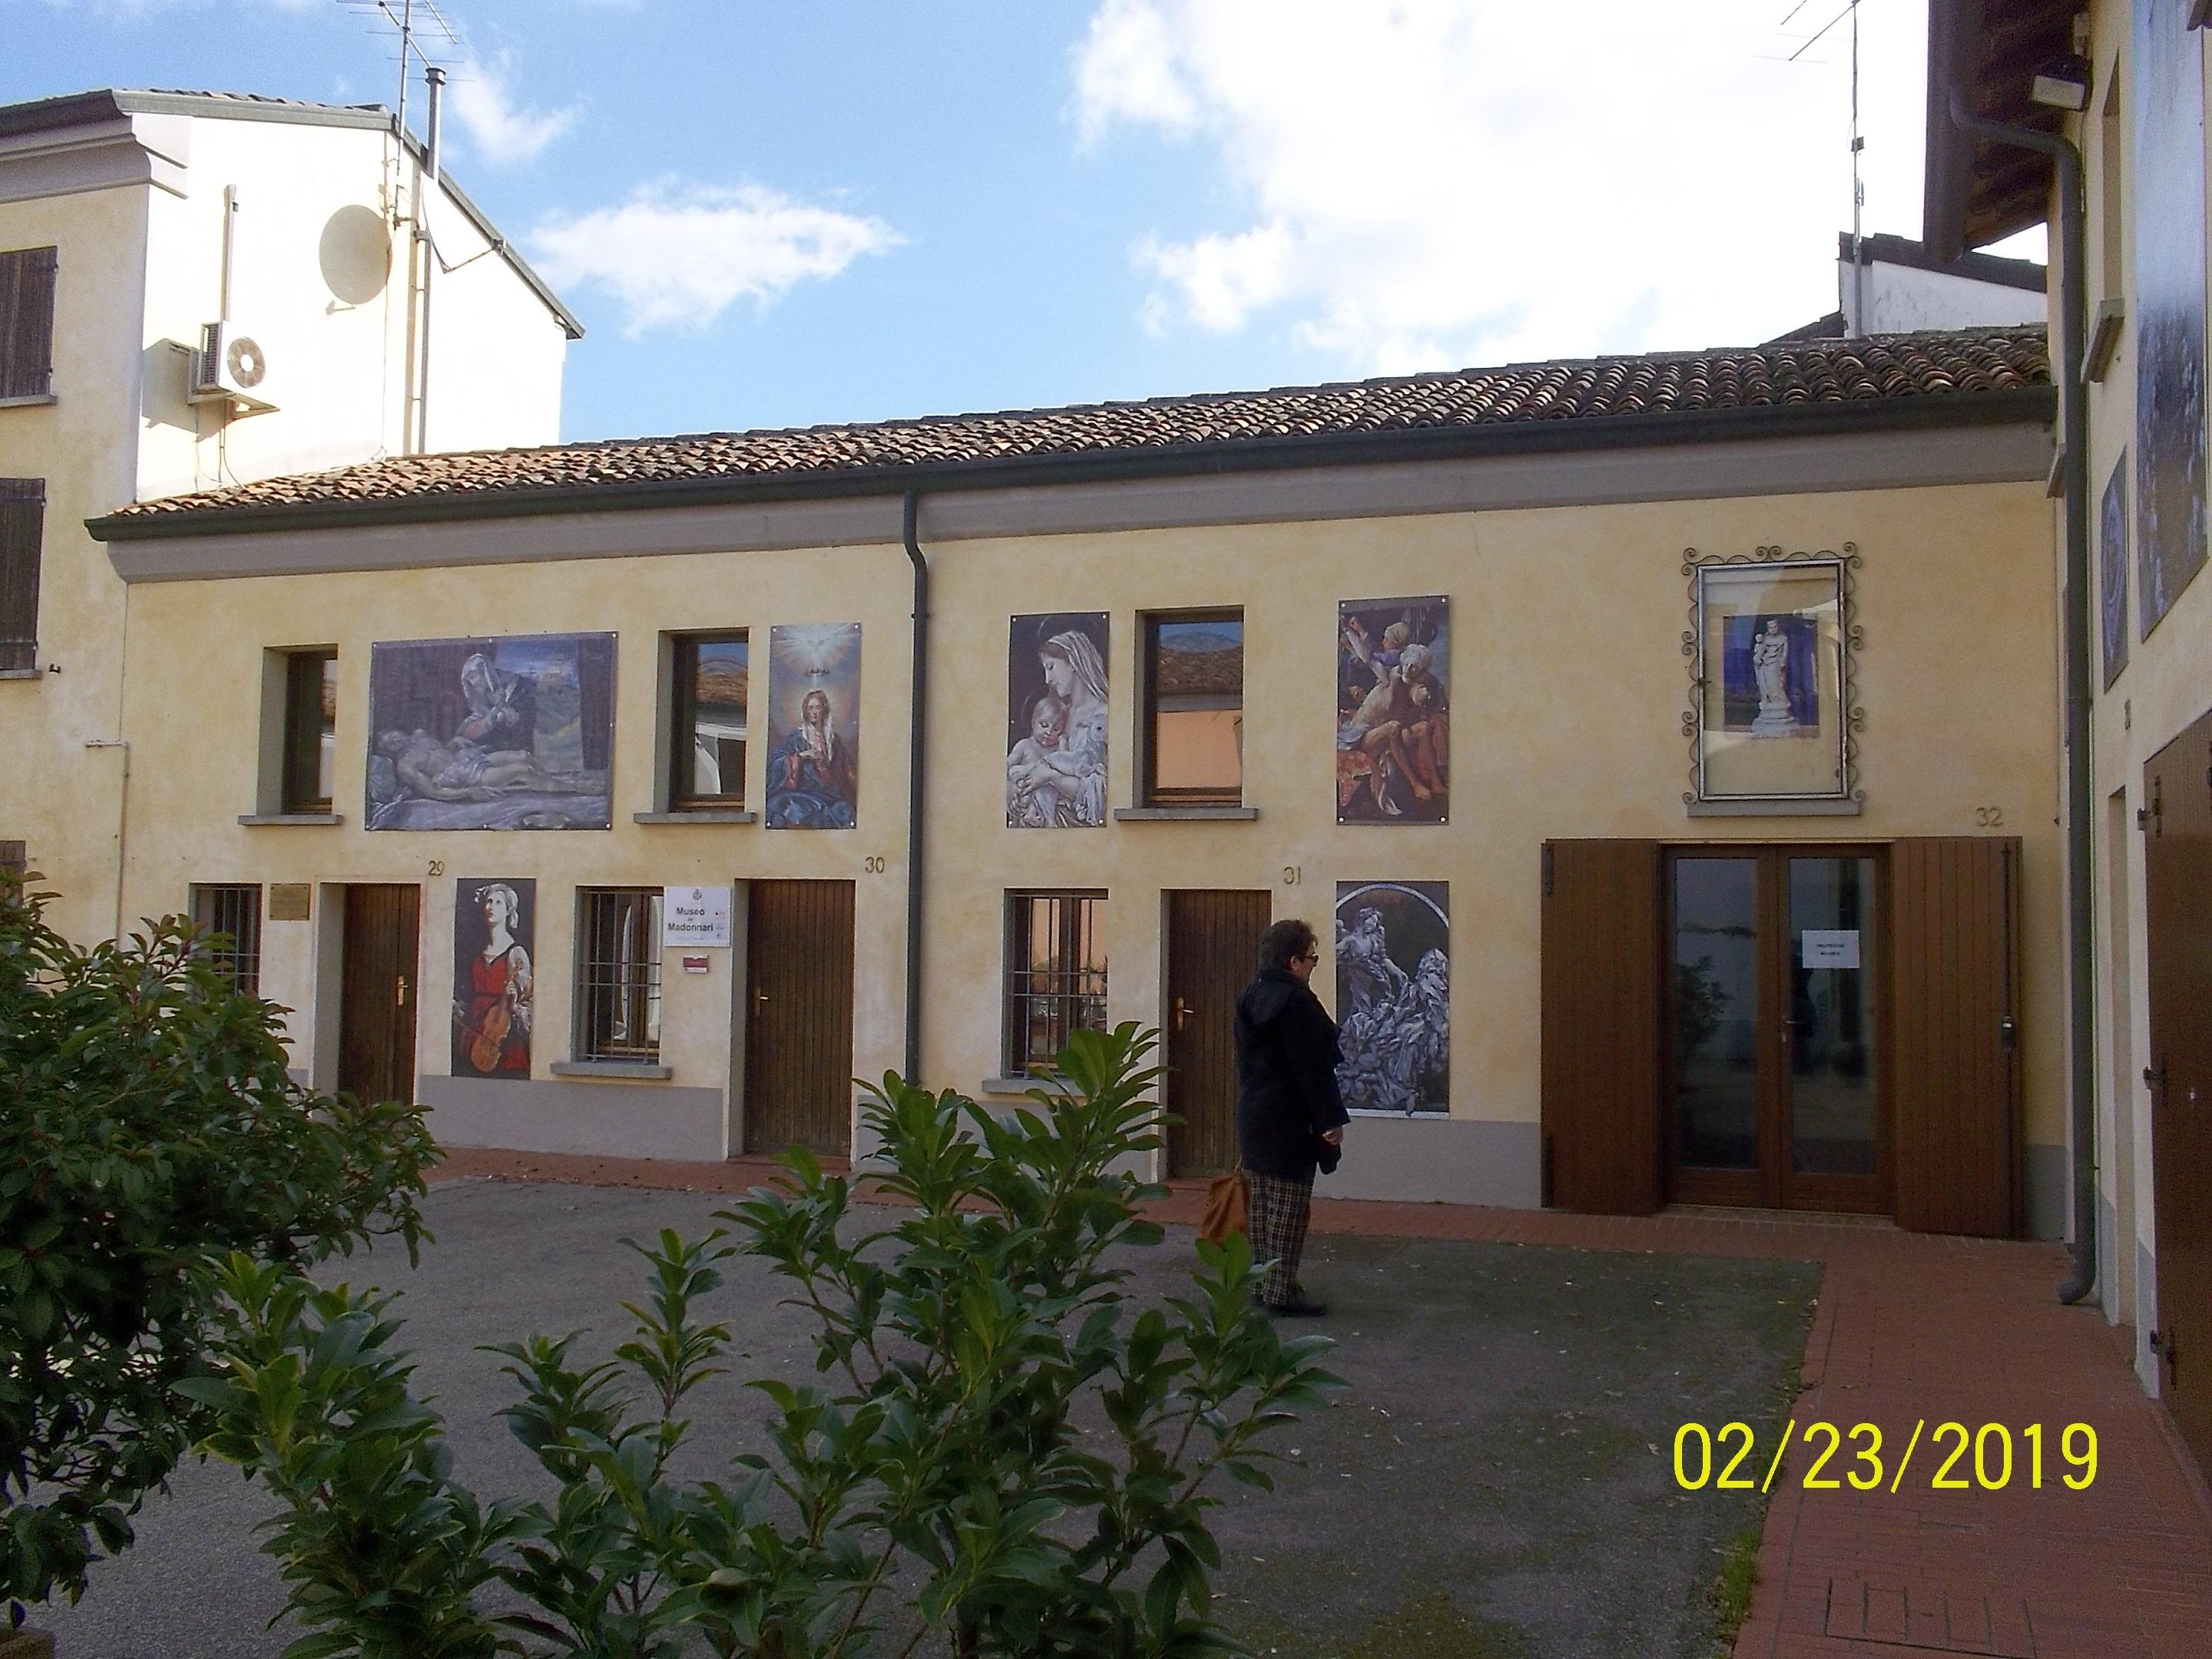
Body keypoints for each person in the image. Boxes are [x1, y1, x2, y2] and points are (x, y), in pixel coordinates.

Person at [1233, 919, 1349, 1317]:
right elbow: (1312, 1069)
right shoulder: (1297, 1002)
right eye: (1312, 958)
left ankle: (1263, 1284)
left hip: (1255, 1114)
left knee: (1263, 1207)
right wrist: (1329, 1121)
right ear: (1293, 961)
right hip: (1291, 1119)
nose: (1314, 965)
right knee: (1290, 1209)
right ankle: (1281, 1293)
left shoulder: (1250, 995)